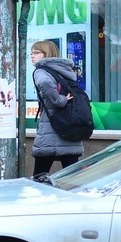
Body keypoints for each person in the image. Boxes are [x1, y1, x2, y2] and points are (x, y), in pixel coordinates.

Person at [30, 40, 84, 177]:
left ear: (46, 54)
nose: (32, 56)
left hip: (50, 127)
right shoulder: (63, 69)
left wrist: (61, 100)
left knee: (39, 176)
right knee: (73, 177)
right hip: (69, 128)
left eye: (36, 52)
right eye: (31, 53)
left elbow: (44, 83)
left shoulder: (41, 71)